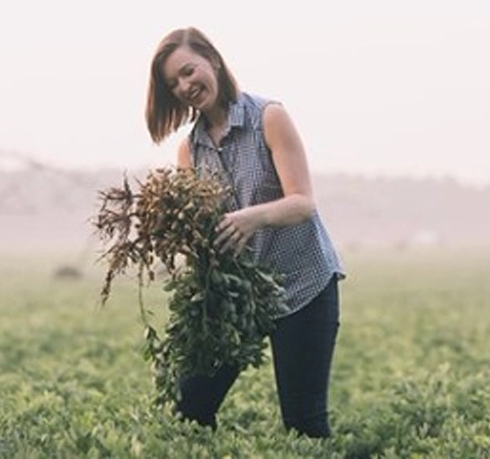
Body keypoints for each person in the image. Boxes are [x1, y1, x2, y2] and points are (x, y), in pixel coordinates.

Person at [144, 26, 345, 439]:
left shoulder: (267, 117)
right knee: (191, 410)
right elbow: (204, 230)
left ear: (212, 60)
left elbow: (303, 201)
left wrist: (251, 218)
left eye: (188, 71)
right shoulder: (190, 149)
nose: (184, 85)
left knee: (304, 426)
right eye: (173, 83)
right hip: (239, 294)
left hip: (303, 284)